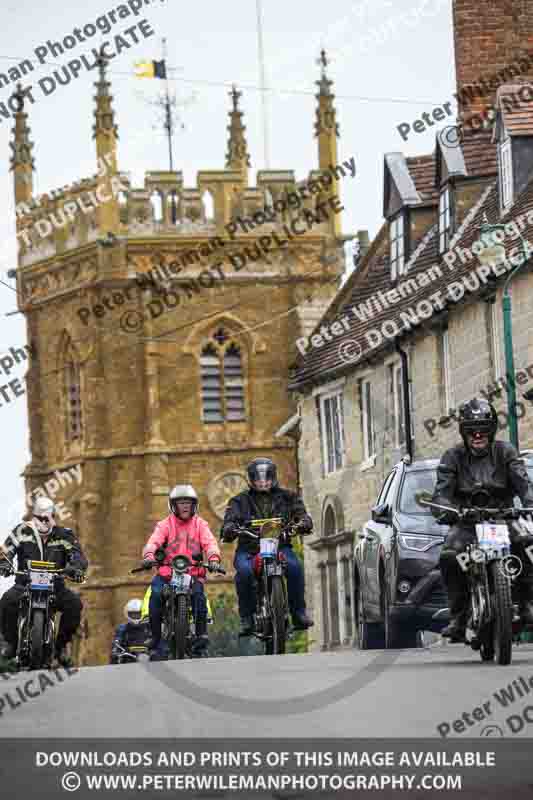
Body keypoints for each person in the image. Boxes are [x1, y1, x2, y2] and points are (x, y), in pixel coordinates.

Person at [432, 397, 533, 641]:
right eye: (471, 431)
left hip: (504, 520)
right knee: (449, 557)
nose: (478, 435)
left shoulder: (506, 451)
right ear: (463, 433)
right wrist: (446, 509)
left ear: (492, 431)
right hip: (467, 524)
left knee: (528, 543)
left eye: (483, 431)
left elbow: (523, 483)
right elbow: (441, 493)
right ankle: (458, 616)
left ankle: (527, 602)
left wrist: (529, 501)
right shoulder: (452, 457)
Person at [220, 457, 314, 636]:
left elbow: (301, 514)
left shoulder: (288, 497)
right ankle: (246, 618)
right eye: (258, 478)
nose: (263, 482)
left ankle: (298, 613)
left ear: (273, 477)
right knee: (245, 573)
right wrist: (230, 528)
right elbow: (229, 520)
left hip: (280, 546)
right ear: (251, 479)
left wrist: (303, 522)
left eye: (267, 478)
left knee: (295, 568)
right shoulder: (239, 501)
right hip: (249, 549)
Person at [0, 496, 87, 667]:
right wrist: (4, 563)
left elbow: (77, 556)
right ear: (34, 517)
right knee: (6, 602)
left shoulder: (65, 535)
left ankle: (61, 646)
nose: (44, 521)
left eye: (47, 517)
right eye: (40, 518)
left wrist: (76, 568)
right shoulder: (21, 531)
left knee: (75, 604)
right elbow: (6, 551)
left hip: (56, 585)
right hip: (24, 583)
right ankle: (11, 643)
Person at [141, 485, 221, 660]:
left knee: (199, 597)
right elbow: (153, 542)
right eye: (181, 503)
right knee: (155, 596)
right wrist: (148, 555)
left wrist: (213, 558)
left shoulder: (201, 524)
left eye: (188, 503)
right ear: (173, 506)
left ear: (194, 505)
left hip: (193, 572)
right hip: (167, 572)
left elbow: (210, 543)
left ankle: (201, 635)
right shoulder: (164, 525)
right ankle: (155, 637)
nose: (185, 506)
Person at [110, 598, 150, 664]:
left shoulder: (150, 628)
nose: (135, 616)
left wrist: (156, 652)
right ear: (127, 613)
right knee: (114, 660)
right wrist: (115, 651)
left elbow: (160, 644)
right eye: (133, 614)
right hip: (129, 660)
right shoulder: (122, 628)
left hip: (150, 659)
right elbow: (117, 642)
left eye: (138, 614)